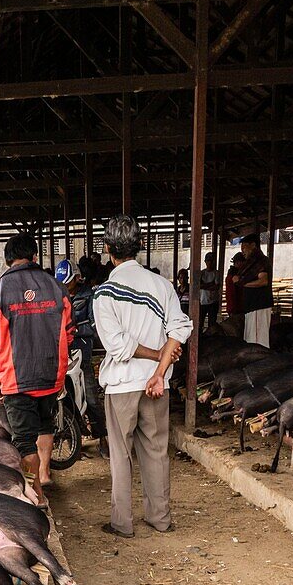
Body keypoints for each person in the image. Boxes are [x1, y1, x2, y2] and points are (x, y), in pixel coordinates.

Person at [92, 214, 192, 539]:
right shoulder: (161, 285)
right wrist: (161, 365)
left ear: (108, 248)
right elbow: (180, 328)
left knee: (120, 454)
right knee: (156, 450)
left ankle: (122, 523)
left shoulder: (104, 294)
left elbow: (118, 346)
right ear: (142, 245)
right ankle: (160, 518)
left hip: (122, 385)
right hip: (155, 384)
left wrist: (156, 357)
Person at [0, 233, 74, 508]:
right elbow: (69, 334)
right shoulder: (57, 288)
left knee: (24, 441)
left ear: (8, 259)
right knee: (45, 424)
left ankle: (37, 495)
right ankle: (45, 475)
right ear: (34, 256)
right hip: (51, 375)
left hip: (16, 379)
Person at [54, 258, 109, 458]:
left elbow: (96, 327)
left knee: (91, 398)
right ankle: (72, 443)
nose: (65, 287)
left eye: (68, 282)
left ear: (77, 278)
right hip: (63, 354)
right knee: (67, 398)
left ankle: (102, 439)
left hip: (81, 353)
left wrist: (75, 330)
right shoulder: (57, 296)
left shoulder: (90, 296)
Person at [234, 233, 273, 347]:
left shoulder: (261, 261)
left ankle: (261, 362)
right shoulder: (252, 262)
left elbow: (263, 281)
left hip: (258, 305)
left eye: (244, 248)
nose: (243, 251)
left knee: (258, 340)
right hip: (252, 306)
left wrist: (242, 283)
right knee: (251, 337)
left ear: (253, 245)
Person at [224, 253, 246, 334]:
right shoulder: (233, 277)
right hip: (236, 308)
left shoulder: (235, 274)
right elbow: (232, 294)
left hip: (237, 307)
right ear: (238, 263)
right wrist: (233, 309)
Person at [199, 251, 220, 330]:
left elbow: (216, 287)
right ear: (205, 262)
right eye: (208, 261)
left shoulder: (216, 273)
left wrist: (204, 285)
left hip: (213, 302)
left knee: (212, 324)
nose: (210, 263)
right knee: (200, 322)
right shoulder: (202, 273)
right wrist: (210, 284)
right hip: (202, 301)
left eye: (211, 261)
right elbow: (198, 286)